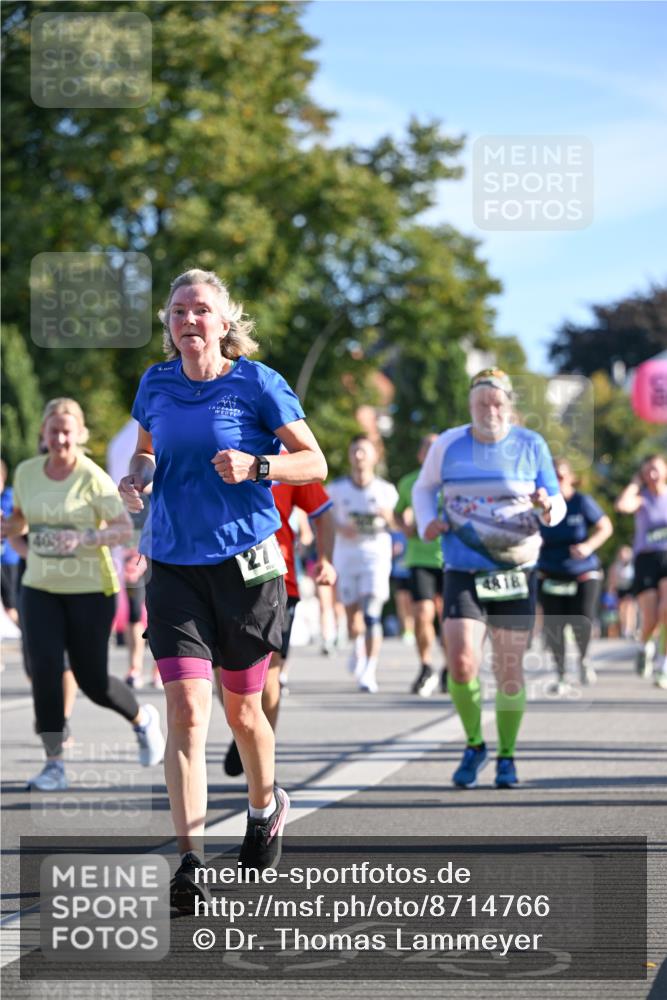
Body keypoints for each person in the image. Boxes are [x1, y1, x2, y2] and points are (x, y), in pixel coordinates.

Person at [118, 268, 327, 911]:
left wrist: (259, 464)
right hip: (174, 564)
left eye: (201, 310)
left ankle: (265, 806)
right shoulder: (154, 384)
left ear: (225, 321)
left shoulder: (258, 384)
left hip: (245, 565)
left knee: (244, 713)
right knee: (186, 711)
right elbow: (149, 452)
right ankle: (190, 861)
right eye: (178, 311)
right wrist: (137, 479)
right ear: (169, 324)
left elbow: (315, 463)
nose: (188, 321)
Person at [1, 398, 165, 791]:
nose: (59, 438)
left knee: (92, 680)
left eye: (66, 431)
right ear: (43, 434)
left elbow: (123, 529)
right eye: (52, 431)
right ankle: (54, 763)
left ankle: (141, 719)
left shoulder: (92, 478)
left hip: (91, 588)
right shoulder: (26, 473)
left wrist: (84, 537)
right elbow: (23, 519)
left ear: (80, 435)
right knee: (44, 669)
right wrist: (11, 530)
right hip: (39, 586)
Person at [413, 369, 565, 789]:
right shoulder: (448, 443)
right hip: (463, 567)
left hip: (516, 570)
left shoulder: (531, 445)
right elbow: (424, 489)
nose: (490, 411)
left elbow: (557, 501)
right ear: (470, 407)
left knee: (509, 667)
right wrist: (427, 520)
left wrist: (546, 505)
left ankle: (507, 756)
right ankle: (475, 743)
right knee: (462, 662)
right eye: (482, 403)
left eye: (497, 403)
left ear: (510, 407)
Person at [220, 479, 336, 776]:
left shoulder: (286, 457)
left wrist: (324, 559)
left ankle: (259, 754)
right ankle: (243, 723)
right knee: (221, 670)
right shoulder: (215, 448)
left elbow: (323, 512)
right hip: (217, 574)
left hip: (275, 578)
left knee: (268, 677)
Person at [327, 435, 398, 693]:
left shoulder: (386, 490)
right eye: (355, 451)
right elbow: (325, 518)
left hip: (375, 555)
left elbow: (395, 525)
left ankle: (370, 668)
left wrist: (387, 516)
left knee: (371, 613)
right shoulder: (336, 489)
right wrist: (340, 527)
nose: (359, 457)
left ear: (374, 456)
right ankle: (357, 645)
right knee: (352, 617)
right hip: (346, 556)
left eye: (364, 452)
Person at [537, 459, 613, 693]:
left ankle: (582, 658)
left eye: (559, 476)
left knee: (583, 620)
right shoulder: (541, 506)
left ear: (570, 477)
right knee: (554, 626)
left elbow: (605, 526)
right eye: (551, 477)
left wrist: (588, 546)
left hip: (583, 571)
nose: (556, 481)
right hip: (550, 571)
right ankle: (561, 674)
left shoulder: (582, 502)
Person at [395, 433, 446, 697]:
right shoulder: (409, 482)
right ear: (420, 455)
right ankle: (426, 666)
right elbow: (396, 511)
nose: (432, 452)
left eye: (437, 448)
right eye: (427, 448)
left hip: (450, 559)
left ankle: (450, 667)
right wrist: (405, 527)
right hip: (419, 558)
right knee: (423, 614)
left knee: (448, 618)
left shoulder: (451, 481)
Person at [615, 454, 667, 688]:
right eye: (647, 472)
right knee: (651, 618)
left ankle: (663, 665)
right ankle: (643, 645)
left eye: (656, 469)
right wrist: (635, 483)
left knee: (666, 611)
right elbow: (622, 506)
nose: (652, 475)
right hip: (646, 559)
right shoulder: (641, 498)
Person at [1, 459, 21, 624]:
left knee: (10, 606)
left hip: (8, 560)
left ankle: (28, 633)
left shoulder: (11, 497)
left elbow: (20, 524)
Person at [607, 545, 637, 640]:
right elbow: (612, 579)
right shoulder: (615, 566)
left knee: (630, 608)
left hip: (630, 588)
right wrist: (611, 591)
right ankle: (625, 628)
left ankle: (630, 628)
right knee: (622, 609)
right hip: (620, 589)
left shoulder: (633, 565)